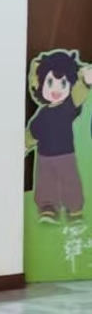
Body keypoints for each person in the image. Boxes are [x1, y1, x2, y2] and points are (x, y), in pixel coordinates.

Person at [26, 51, 92, 223]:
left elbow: (79, 94)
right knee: (45, 183)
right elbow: (33, 132)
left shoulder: (68, 106)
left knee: (70, 181)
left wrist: (85, 81)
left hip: (65, 155)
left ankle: (74, 209)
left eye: (63, 83)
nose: (56, 89)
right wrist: (25, 145)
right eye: (50, 82)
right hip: (44, 157)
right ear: (39, 83)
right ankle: (47, 209)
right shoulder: (41, 115)